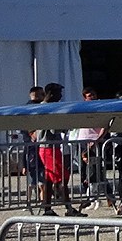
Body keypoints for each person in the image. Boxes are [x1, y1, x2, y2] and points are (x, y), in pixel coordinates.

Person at [36, 83, 83, 216]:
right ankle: (69, 209)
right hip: (49, 148)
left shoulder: (42, 107)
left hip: (47, 147)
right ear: (51, 93)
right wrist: (67, 125)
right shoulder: (48, 108)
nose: (60, 96)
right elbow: (54, 128)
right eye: (59, 93)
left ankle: (47, 208)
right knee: (61, 178)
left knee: (49, 179)